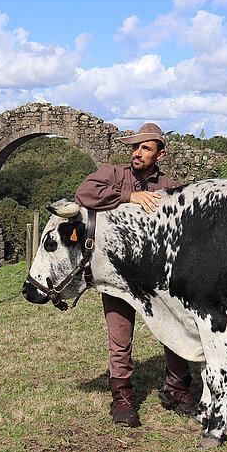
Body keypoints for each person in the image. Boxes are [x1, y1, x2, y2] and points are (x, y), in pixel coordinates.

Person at [75, 122, 197, 427]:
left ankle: (177, 390)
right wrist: (129, 197)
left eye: (145, 148)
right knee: (120, 338)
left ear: (160, 153)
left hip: (158, 278)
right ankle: (123, 399)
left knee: (174, 332)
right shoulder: (113, 174)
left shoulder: (171, 187)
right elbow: (85, 193)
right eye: (134, 147)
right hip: (118, 275)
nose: (137, 153)